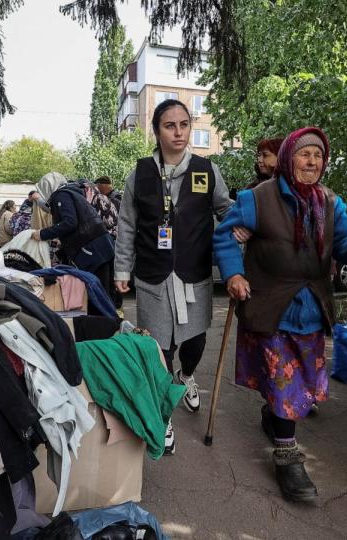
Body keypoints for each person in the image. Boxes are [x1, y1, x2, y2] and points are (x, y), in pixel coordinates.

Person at [213, 127, 347, 502]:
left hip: (311, 302)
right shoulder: (257, 198)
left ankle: (274, 414)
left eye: (318, 156)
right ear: (289, 158)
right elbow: (224, 236)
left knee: (300, 379)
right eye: (304, 154)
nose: (312, 162)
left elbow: (343, 238)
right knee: (282, 375)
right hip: (271, 299)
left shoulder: (329, 202)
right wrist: (234, 273)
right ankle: (288, 455)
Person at [114, 99, 232, 455]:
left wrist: (244, 233)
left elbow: (226, 210)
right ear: (157, 131)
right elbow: (127, 226)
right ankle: (163, 412)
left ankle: (187, 376)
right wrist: (122, 269)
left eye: (184, 124)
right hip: (153, 276)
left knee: (194, 343)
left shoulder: (206, 170)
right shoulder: (140, 175)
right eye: (170, 125)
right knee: (159, 347)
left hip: (194, 276)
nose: (178, 132)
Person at [32, 172, 116, 312]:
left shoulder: (61, 195)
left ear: (48, 187)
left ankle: (102, 325)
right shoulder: (72, 193)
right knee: (104, 292)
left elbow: (69, 222)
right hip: (101, 247)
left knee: (98, 294)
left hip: (92, 251)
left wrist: (42, 234)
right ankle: (108, 323)